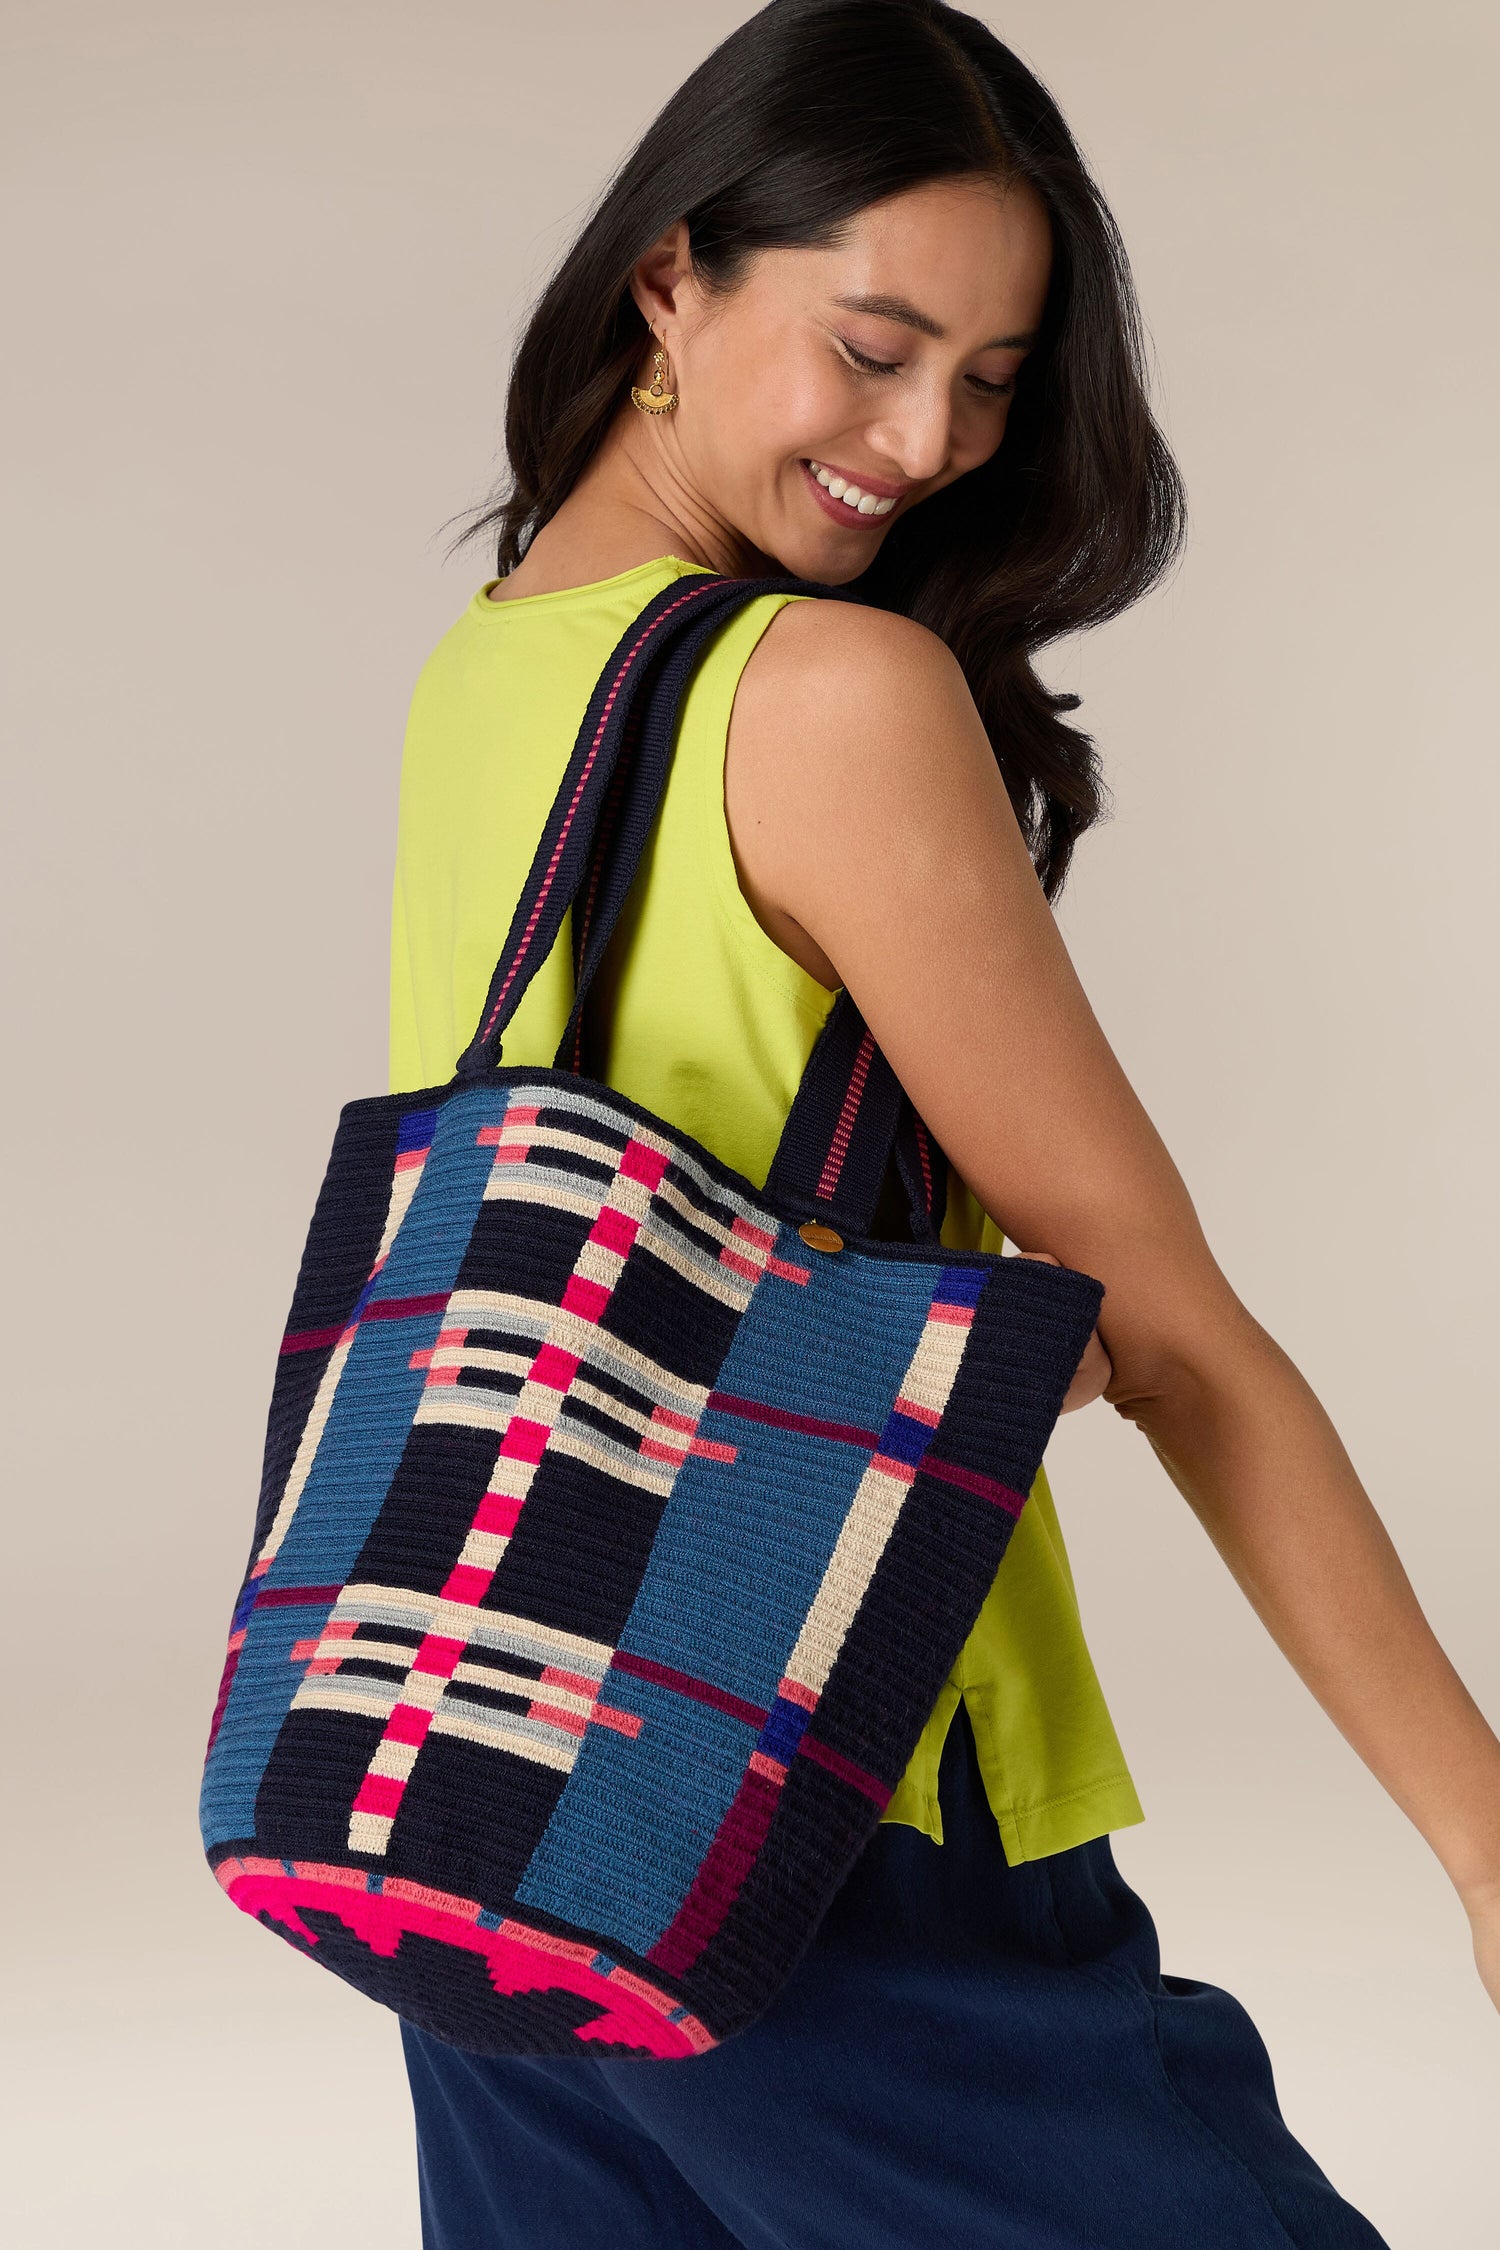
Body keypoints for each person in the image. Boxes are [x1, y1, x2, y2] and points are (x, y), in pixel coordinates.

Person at [387, 3, 1500, 2241]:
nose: (931, 439)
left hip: (476, 1800)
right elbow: (1166, 1325)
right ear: (669, 279)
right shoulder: (825, 692)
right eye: (878, 346)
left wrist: (925, 1288)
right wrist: (1483, 1837)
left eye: (991, 380)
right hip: (825, 1793)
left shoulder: (501, 659)